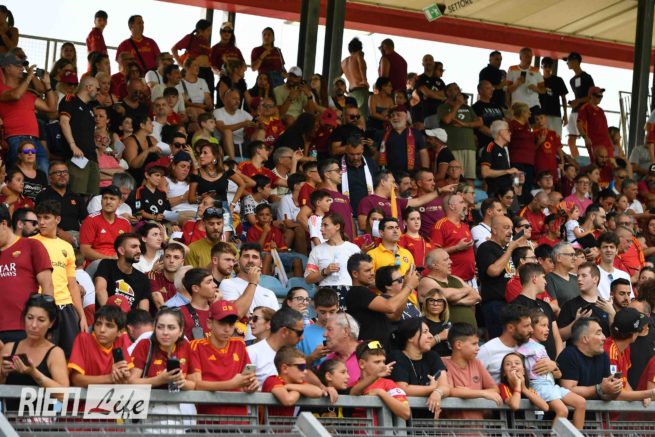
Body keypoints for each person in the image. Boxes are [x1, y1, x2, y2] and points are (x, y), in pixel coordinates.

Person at [33, 200, 86, 357]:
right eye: (39, 217)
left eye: (46, 217)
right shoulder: (30, 243)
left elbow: (72, 285)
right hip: (42, 305)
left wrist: (82, 316)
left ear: (58, 219)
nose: (41, 222)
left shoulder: (67, 247)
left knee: (69, 357)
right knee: (43, 356)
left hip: (66, 308)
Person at [189, 299, 258, 419]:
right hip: (209, 419)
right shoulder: (195, 346)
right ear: (209, 323)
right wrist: (231, 384)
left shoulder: (239, 344)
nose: (227, 329)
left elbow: (247, 378)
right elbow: (196, 384)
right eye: (222, 323)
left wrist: (251, 384)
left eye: (231, 324)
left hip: (239, 419)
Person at [0, 295, 69, 410]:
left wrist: (34, 373)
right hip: (9, 419)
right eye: (30, 318)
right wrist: (2, 373)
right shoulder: (9, 349)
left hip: (42, 420)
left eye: (41, 320)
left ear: (51, 323)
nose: (33, 325)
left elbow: (63, 394)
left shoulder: (55, 353)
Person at [129, 307, 195, 422]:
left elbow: (194, 384)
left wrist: (181, 382)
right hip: (147, 415)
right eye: (160, 327)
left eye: (171, 327)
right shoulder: (145, 345)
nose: (165, 332)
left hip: (178, 416)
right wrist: (159, 380)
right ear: (154, 328)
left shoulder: (185, 346)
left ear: (180, 331)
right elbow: (131, 382)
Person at [0, 204, 53, 343]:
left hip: (24, 328)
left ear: (3, 224)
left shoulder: (32, 246)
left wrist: (45, 325)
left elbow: (47, 286)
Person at [345, 253, 419, 350]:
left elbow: (394, 316)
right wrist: (409, 286)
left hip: (381, 350)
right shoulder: (358, 292)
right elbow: (390, 307)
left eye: (372, 269)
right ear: (355, 274)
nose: (372, 273)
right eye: (367, 270)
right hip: (369, 352)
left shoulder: (367, 293)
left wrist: (405, 286)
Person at [0, 53, 56, 173]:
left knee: (43, 172)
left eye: (22, 65)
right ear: (7, 68)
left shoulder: (28, 93)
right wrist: (29, 77)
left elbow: (51, 107)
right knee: (17, 174)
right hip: (15, 138)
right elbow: (15, 95)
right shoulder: (2, 89)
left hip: (34, 140)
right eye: (17, 65)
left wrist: (47, 85)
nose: (21, 68)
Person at [389, 318, 450, 418]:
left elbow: (445, 387)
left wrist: (438, 392)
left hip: (426, 423)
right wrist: (431, 388)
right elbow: (402, 388)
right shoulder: (397, 356)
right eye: (425, 332)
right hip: (403, 421)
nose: (431, 336)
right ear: (410, 337)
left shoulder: (432, 356)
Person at [476, 215, 527, 338]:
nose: (510, 232)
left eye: (511, 228)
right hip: (495, 304)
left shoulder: (505, 250)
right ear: (494, 230)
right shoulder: (486, 247)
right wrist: (510, 249)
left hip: (510, 303)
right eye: (506, 227)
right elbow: (493, 271)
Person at [442, 323, 502, 420]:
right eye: (474, 344)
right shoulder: (443, 363)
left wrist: (467, 392)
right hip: (453, 427)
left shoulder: (477, 363)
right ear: (458, 345)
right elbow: (450, 391)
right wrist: (483, 393)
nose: (478, 348)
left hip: (479, 427)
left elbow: (495, 389)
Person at [556, 318, 622, 401]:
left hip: (595, 409)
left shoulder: (603, 356)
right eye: (598, 333)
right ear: (585, 339)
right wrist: (599, 388)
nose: (604, 338)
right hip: (570, 409)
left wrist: (614, 390)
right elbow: (568, 391)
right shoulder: (569, 355)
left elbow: (605, 395)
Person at [305, 212, 362, 306]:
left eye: (325, 225)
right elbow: (308, 278)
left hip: (350, 292)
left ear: (337, 226)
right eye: (321, 225)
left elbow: (362, 274)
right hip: (325, 294)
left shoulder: (353, 248)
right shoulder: (317, 250)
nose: (321, 229)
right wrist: (324, 272)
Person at [69, 304, 133, 387]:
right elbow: (76, 380)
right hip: (86, 395)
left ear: (120, 332)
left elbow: (129, 375)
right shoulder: (83, 339)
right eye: (98, 324)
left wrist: (124, 376)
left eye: (109, 325)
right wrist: (111, 378)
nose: (102, 330)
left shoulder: (120, 341)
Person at [219, 243, 280, 329]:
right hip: (240, 336)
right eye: (246, 256)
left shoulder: (270, 293)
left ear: (261, 263)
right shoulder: (227, 283)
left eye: (255, 257)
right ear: (238, 261)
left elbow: (276, 324)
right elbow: (237, 313)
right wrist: (253, 283)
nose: (250, 260)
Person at [513, 264, 563, 359]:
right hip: (532, 363)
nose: (546, 282)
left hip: (554, 363)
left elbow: (557, 337)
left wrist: (557, 362)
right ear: (534, 278)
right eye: (543, 277)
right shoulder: (516, 306)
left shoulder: (546, 305)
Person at [352, 341, 411, 421]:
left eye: (383, 361)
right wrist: (375, 376)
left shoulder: (389, 384)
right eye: (377, 362)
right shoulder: (353, 386)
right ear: (362, 364)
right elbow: (354, 392)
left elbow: (406, 413)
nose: (383, 366)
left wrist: (380, 393)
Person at [94, 232, 151, 312]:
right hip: (106, 317)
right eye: (134, 247)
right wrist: (110, 315)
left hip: (128, 320)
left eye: (139, 247)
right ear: (121, 251)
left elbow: (143, 312)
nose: (139, 251)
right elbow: (100, 290)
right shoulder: (107, 265)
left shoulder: (143, 278)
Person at [247, 307, 305, 386]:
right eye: (299, 333)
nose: (302, 338)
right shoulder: (252, 353)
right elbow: (243, 386)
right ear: (284, 331)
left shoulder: (294, 355)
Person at [35, 161, 88, 247]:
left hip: (76, 238)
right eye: (58, 173)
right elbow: (40, 220)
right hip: (52, 236)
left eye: (65, 172)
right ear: (50, 177)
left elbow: (86, 221)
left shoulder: (76, 197)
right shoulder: (43, 196)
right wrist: (59, 232)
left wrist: (83, 235)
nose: (62, 175)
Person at [557, 263, 615, 340]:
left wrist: (612, 313)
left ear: (595, 279)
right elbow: (560, 336)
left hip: (604, 347)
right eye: (578, 276)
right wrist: (576, 322)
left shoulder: (607, 305)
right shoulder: (569, 305)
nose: (579, 279)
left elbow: (616, 338)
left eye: (584, 276)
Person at [79, 185, 132, 269]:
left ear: (119, 202)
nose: (108, 202)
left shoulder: (125, 223)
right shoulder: (91, 220)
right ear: (101, 201)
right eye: (105, 198)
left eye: (112, 199)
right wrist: (109, 259)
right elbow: (84, 250)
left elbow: (128, 248)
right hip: (97, 264)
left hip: (118, 264)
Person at [263, 346, 323, 417]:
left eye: (305, 367)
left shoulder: (297, 383)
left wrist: (289, 386)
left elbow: (318, 392)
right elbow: (288, 400)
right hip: (266, 424)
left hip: (286, 424)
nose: (305, 371)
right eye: (301, 367)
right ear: (285, 368)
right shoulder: (272, 380)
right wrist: (299, 390)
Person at [437, 83, 481, 181]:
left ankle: (469, 192)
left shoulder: (467, 108)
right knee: (455, 177)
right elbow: (447, 120)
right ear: (448, 92)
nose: (458, 90)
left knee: (470, 178)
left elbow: (479, 123)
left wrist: (464, 124)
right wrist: (457, 105)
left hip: (469, 146)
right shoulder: (443, 107)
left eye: (458, 88)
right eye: (455, 89)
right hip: (453, 147)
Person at [430, 194, 476, 287]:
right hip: (453, 281)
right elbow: (434, 254)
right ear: (452, 206)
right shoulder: (441, 225)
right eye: (461, 202)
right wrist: (457, 248)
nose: (465, 205)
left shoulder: (464, 225)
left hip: (471, 279)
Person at [297, 288, 339, 365]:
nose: (327, 316)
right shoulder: (302, 333)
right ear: (315, 308)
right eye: (323, 312)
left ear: (337, 307)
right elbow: (294, 367)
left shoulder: (345, 331)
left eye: (332, 312)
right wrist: (312, 357)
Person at [172, 19, 213, 98]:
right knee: (196, 94)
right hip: (196, 70)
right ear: (200, 31)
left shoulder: (206, 41)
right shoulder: (190, 38)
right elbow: (174, 49)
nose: (210, 33)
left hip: (208, 71)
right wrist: (181, 64)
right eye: (208, 30)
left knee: (209, 94)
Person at [480, 120, 520, 196]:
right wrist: (507, 171)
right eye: (508, 130)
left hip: (508, 192)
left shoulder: (504, 149)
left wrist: (517, 180)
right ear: (501, 132)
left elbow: (506, 173)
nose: (510, 133)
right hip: (496, 193)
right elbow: (485, 173)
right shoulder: (490, 147)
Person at [577, 87, 612, 160]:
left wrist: (610, 142)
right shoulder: (585, 108)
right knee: (597, 163)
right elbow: (579, 124)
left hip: (606, 143)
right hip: (595, 143)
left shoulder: (601, 110)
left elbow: (605, 128)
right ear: (591, 96)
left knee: (610, 163)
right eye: (598, 96)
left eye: (601, 96)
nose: (600, 98)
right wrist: (585, 137)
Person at [597, 232, 633, 300]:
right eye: (605, 247)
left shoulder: (624, 276)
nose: (608, 250)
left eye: (611, 247)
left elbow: (630, 299)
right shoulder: (592, 273)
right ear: (599, 250)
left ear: (616, 251)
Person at [539, 57, 568, 136]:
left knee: (556, 138)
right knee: (541, 138)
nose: (547, 68)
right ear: (541, 66)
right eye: (545, 66)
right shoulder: (537, 80)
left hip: (556, 114)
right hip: (541, 114)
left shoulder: (558, 80)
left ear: (552, 67)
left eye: (550, 66)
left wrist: (565, 114)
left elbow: (563, 98)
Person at [341, 37, 369, 118]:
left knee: (351, 117)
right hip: (360, 91)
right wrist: (364, 79)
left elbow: (336, 76)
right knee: (362, 117)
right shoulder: (358, 56)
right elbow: (361, 65)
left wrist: (343, 88)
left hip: (350, 94)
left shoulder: (343, 62)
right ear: (360, 48)